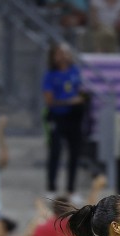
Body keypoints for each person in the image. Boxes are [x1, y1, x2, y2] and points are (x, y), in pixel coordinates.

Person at [43, 43, 87, 197]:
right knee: (55, 151)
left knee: (74, 153)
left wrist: (79, 100)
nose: (63, 56)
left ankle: (71, 188)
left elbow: (81, 93)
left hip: (73, 117)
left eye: (65, 52)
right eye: (59, 53)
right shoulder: (50, 75)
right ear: (54, 56)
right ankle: (51, 187)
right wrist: (69, 101)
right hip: (57, 116)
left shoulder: (75, 72)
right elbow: (49, 100)